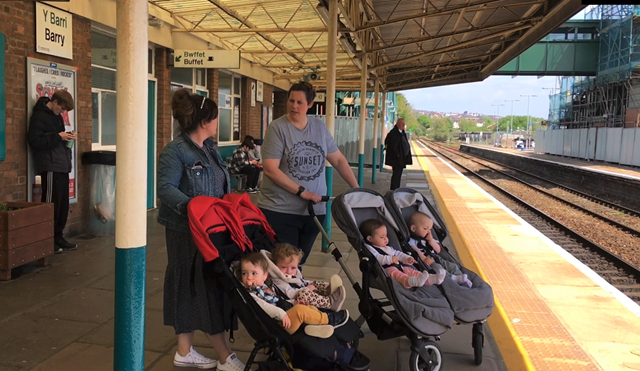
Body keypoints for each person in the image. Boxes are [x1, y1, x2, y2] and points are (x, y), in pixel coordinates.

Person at [157, 88, 245, 371]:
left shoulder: (210, 148)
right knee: (202, 289)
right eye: (216, 117)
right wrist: (194, 210)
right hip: (186, 232)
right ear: (205, 120)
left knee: (192, 288)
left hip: (213, 231)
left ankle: (184, 351)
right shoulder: (176, 151)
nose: (218, 122)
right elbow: (165, 189)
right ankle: (225, 356)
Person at [258, 81, 359, 265]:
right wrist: (301, 191)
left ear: (310, 105)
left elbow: (338, 160)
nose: (294, 106)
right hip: (280, 210)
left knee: (299, 263)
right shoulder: (277, 128)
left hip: (314, 211)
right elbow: (270, 169)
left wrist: (357, 189)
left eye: (299, 102)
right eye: (291, 101)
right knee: (283, 265)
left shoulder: (319, 128)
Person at [239, 252, 350, 338]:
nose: (249, 277)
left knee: (305, 307)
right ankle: (329, 319)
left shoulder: (266, 288)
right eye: (244, 273)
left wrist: (293, 303)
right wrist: (281, 314)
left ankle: (315, 327)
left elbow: (279, 300)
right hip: (278, 326)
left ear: (264, 276)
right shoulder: (250, 294)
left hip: (284, 317)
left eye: (254, 273)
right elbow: (264, 306)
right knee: (299, 311)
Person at [27, 90, 78, 254]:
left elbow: (57, 137)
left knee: (63, 204)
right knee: (51, 203)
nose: (62, 112)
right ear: (55, 102)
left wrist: (68, 136)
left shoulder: (56, 117)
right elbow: (35, 141)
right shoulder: (39, 116)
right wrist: (59, 137)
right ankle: (48, 239)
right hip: (49, 165)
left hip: (62, 164)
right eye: (61, 108)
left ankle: (58, 237)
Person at [359, 219, 445, 289]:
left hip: (399, 267)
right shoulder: (370, 248)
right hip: (386, 271)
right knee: (397, 274)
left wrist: (407, 258)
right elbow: (376, 258)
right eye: (382, 237)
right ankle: (409, 281)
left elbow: (397, 253)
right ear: (370, 239)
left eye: (386, 236)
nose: (386, 239)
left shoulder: (386, 248)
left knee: (410, 271)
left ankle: (431, 279)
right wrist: (390, 259)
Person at [261, 243, 346, 311]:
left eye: (293, 268)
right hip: (295, 301)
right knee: (303, 294)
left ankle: (328, 290)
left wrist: (311, 285)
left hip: (303, 290)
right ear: (276, 266)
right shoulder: (278, 281)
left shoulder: (295, 274)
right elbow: (290, 294)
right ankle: (330, 303)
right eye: (284, 267)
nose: (289, 271)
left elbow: (302, 282)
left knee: (314, 283)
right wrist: (307, 289)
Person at [407, 212, 472, 288]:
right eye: (425, 228)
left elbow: (438, 250)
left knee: (452, 266)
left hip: (436, 257)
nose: (428, 232)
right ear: (413, 228)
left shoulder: (428, 238)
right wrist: (424, 258)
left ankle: (461, 278)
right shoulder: (411, 240)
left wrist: (431, 241)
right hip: (428, 262)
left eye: (430, 229)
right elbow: (415, 250)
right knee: (439, 269)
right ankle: (453, 279)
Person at [384, 118, 412, 190]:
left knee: (398, 175)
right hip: (397, 159)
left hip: (401, 158)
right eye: (402, 124)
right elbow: (392, 145)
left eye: (404, 124)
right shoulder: (394, 133)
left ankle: (396, 189)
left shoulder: (401, 132)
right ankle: (394, 190)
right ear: (397, 124)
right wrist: (398, 155)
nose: (403, 125)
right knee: (396, 175)